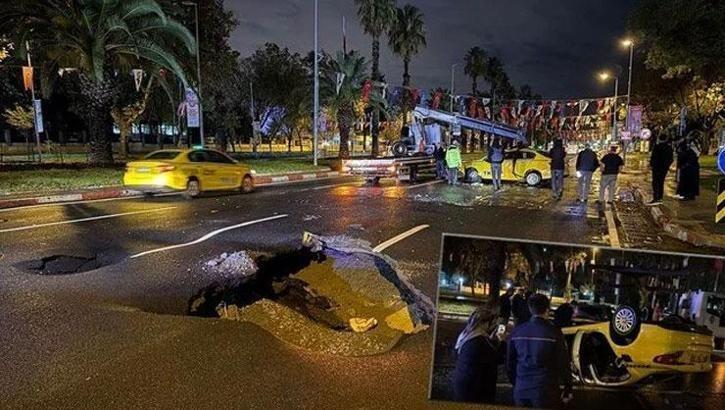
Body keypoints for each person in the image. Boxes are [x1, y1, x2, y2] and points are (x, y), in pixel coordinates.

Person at [506, 294, 573, 408]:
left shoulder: (517, 332)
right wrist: (568, 387)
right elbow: (563, 363)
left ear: (530, 308)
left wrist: (516, 382)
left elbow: (510, 363)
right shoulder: (554, 333)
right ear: (547, 309)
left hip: (521, 388)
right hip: (546, 390)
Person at [452, 305, 505, 404]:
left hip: (462, 384)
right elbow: (498, 358)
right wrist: (501, 341)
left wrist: (489, 340)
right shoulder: (480, 341)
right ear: (484, 323)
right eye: (492, 323)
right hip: (476, 390)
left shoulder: (466, 335)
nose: (492, 326)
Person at [647, 133, 674, 205]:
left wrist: (651, 165)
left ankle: (656, 198)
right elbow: (671, 159)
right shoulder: (669, 148)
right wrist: (667, 166)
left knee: (655, 183)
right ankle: (660, 198)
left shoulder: (657, 147)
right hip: (664, 168)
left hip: (657, 168)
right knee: (661, 182)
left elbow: (654, 158)